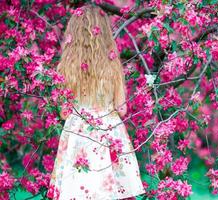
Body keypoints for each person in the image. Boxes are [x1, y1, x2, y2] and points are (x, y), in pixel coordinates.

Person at [47, 3, 145, 200]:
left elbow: (64, 112)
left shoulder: (65, 68)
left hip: (78, 135)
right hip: (108, 131)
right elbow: (122, 109)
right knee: (112, 191)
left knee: (78, 188)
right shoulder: (112, 67)